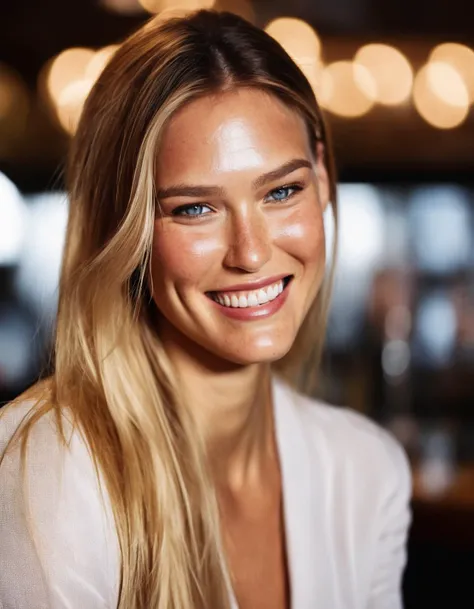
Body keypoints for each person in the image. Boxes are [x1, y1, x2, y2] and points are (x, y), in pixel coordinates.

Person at [0, 9, 412, 609]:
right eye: (195, 208)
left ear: (322, 175)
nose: (251, 253)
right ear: (127, 228)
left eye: (281, 191)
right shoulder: (45, 472)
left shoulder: (366, 472)